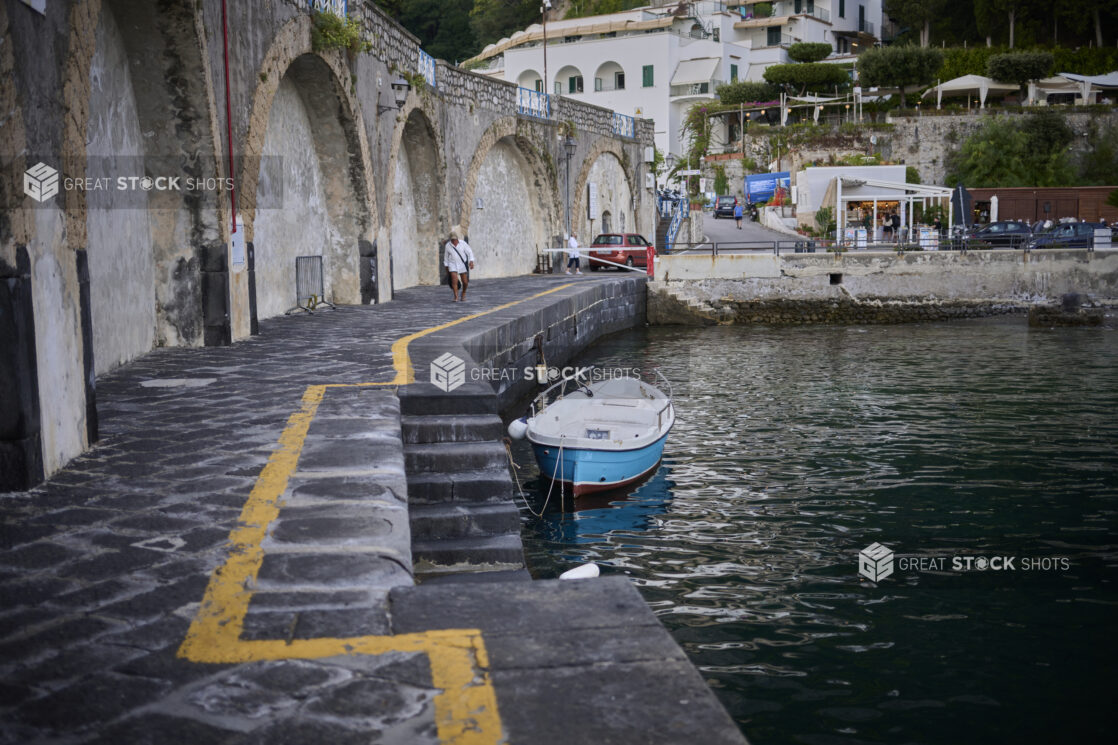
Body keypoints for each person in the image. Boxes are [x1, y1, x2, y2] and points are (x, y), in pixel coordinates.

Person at [444, 226, 475, 302]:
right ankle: (456, 296)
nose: (453, 241)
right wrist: (446, 266)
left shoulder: (462, 243)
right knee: (454, 280)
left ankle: (463, 293)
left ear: (457, 238)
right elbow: (446, 257)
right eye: (452, 240)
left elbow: (469, 252)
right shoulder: (448, 246)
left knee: (465, 282)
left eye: (454, 239)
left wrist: (471, 261)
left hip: (462, 264)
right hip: (452, 264)